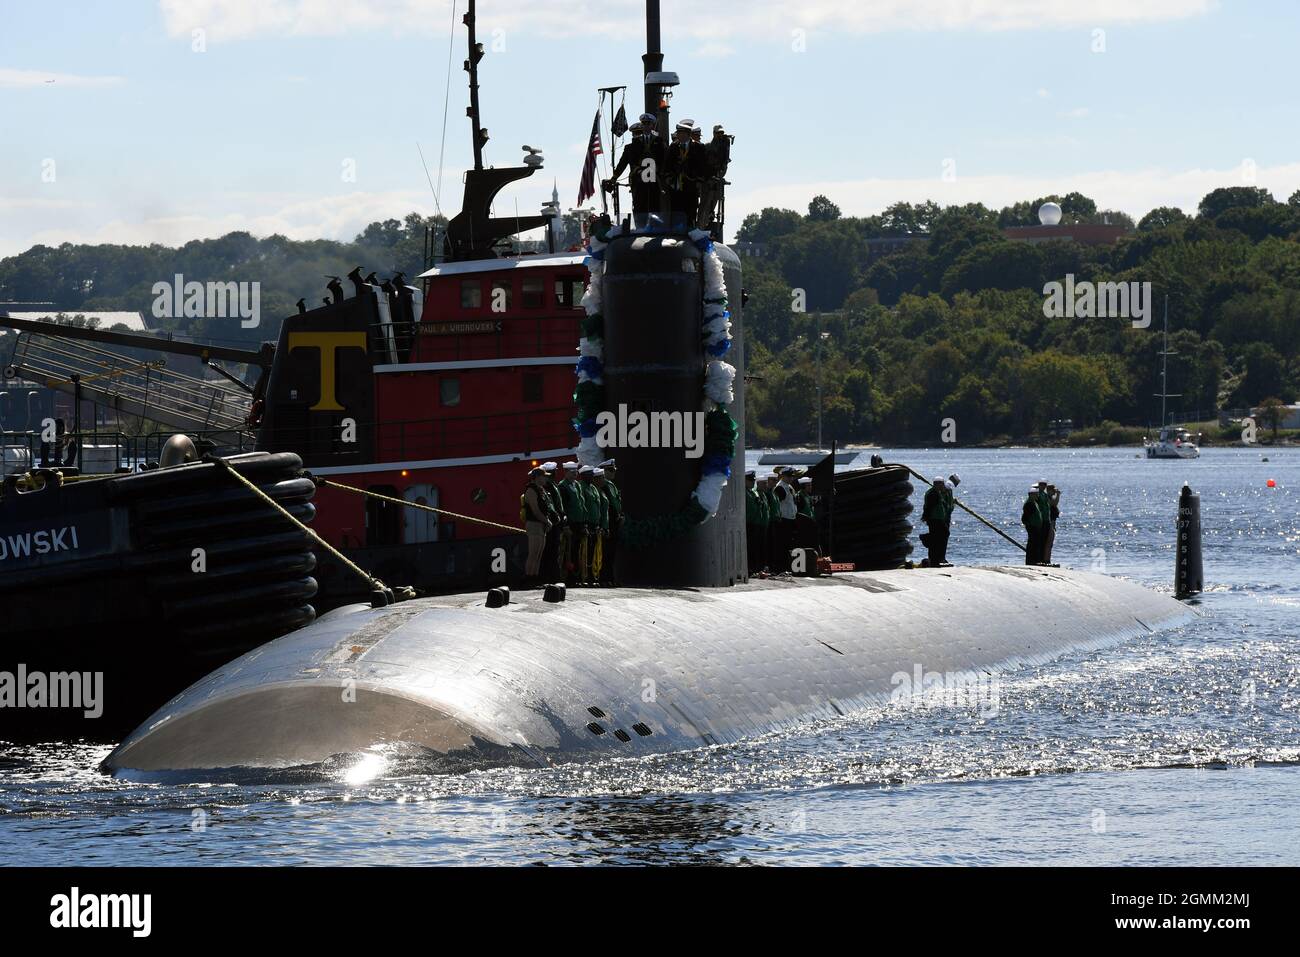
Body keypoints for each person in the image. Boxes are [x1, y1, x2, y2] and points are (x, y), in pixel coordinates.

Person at [604, 114, 666, 230]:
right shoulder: (633, 146)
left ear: (653, 126)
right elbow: (622, 164)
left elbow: (665, 161)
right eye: (644, 124)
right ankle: (640, 228)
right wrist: (614, 178)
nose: (646, 126)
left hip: (654, 180)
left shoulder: (659, 143)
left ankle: (655, 229)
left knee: (654, 205)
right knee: (639, 205)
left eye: (648, 124)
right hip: (639, 180)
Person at [665, 119, 708, 231]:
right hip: (676, 184)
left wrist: (699, 180)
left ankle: (690, 229)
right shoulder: (673, 147)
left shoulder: (698, 147)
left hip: (691, 184)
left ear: (688, 134)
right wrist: (668, 178)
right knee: (676, 210)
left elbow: (703, 166)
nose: (679, 135)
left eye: (681, 133)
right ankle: (677, 231)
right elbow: (667, 165)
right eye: (678, 133)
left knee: (691, 209)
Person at [521, 467, 553, 584]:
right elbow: (535, 510)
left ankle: (535, 578)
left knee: (539, 553)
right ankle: (529, 579)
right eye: (544, 476)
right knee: (533, 553)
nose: (546, 478)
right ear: (537, 477)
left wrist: (546, 521)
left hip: (541, 524)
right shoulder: (531, 490)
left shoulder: (541, 490)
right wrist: (546, 521)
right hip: (534, 524)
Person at [697, 124, 731, 231]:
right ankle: (700, 226)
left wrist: (726, 147)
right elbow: (703, 165)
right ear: (714, 133)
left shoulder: (724, 148)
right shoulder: (707, 147)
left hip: (717, 181)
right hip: (707, 181)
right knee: (704, 204)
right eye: (718, 133)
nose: (720, 135)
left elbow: (724, 166)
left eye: (721, 133)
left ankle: (706, 223)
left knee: (713, 204)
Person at [558, 462, 586, 586]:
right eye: (572, 472)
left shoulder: (577, 485)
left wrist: (584, 523)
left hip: (579, 523)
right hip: (570, 523)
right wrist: (566, 526)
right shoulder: (563, 486)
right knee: (568, 551)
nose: (575, 474)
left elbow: (581, 504)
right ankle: (568, 578)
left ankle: (576, 576)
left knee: (577, 551)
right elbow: (562, 507)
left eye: (576, 472)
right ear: (566, 472)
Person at [538, 461, 566, 581]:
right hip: (551, 522)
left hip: (556, 521)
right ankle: (549, 576)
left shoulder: (553, 485)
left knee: (554, 549)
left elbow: (558, 504)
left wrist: (562, 515)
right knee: (549, 549)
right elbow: (550, 505)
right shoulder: (548, 486)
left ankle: (553, 575)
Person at [598, 459, 623, 585]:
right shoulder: (603, 485)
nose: (613, 473)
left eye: (614, 470)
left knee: (612, 551)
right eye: (611, 470)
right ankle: (604, 577)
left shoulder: (612, 485)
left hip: (615, 521)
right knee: (606, 551)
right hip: (608, 521)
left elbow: (616, 502)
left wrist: (620, 515)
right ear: (604, 471)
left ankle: (610, 577)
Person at [921, 476, 954, 567]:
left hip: (939, 518)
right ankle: (925, 538)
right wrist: (926, 518)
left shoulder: (937, 492)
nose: (943, 486)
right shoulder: (932, 493)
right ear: (936, 484)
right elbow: (928, 507)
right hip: (934, 518)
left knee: (937, 538)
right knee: (942, 534)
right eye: (941, 484)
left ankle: (936, 560)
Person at [579, 466, 604, 585]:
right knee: (584, 551)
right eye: (589, 474)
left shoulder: (593, 488)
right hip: (587, 524)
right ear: (583, 475)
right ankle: (584, 576)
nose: (592, 476)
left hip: (595, 524)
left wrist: (599, 523)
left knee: (593, 551)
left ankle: (591, 575)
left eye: (592, 474)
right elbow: (582, 506)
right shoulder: (581, 487)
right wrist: (584, 524)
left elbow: (597, 507)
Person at [771, 467, 799, 572]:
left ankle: (787, 565)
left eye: (791, 476)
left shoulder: (789, 487)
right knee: (782, 544)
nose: (791, 478)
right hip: (783, 520)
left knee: (789, 544)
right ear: (782, 476)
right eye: (788, 476)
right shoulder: (780, 488)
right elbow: (777, 504)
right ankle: (780, 566)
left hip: (791, 519)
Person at [744, 470, 765, 576]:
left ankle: (754, 568)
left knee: (755, 547)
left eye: (753, 480)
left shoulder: (752, 492)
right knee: (749, 548)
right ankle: (749, 568)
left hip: (756, 524)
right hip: (748, 523)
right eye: (750, 480)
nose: (752, 482)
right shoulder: (743, 492)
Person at [761, 472, 781, 572]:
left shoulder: (774, 493)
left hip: (776, 521)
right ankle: (768, 564)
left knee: (774, 544)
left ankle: (774, 564)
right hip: (770, 521)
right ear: (768, 481)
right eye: (773, 480)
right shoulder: (767, 493)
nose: (775, 482)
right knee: (768, 544)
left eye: (776, 480)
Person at [1021, 485, 1045, 565]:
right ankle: (1031, 561)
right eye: (1035, 494)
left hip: (1036, 526)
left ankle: (1035, 560)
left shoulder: (1034, 502)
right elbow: (1025, 518)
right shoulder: (1029, 504)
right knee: (1032, 543)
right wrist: (1030, 525)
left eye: (1037, 494)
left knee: (1036, 543)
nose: (1037, 495)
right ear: (1031, 494)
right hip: (1032, 527)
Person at [794, 475, 818, 550]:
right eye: (808, 485)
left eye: (810, 485)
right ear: (803, 486)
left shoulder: (807, 496)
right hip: (804, 526)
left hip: (810, 524)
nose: (810, 487)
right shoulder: (799, 497)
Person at [1041, 482, 1061, 565]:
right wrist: (1058, 495)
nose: (1054, 492)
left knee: (1050, 543)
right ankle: (1046, 560)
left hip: (1053, 523)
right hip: (1049, 523)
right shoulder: (1046, 498)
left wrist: (1057, 495)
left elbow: (1055, 503)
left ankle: (1047, 559)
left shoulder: (1050, 497)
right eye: (1053, 490)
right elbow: (1054, 503)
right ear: (1049, 490)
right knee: (1048, 542)